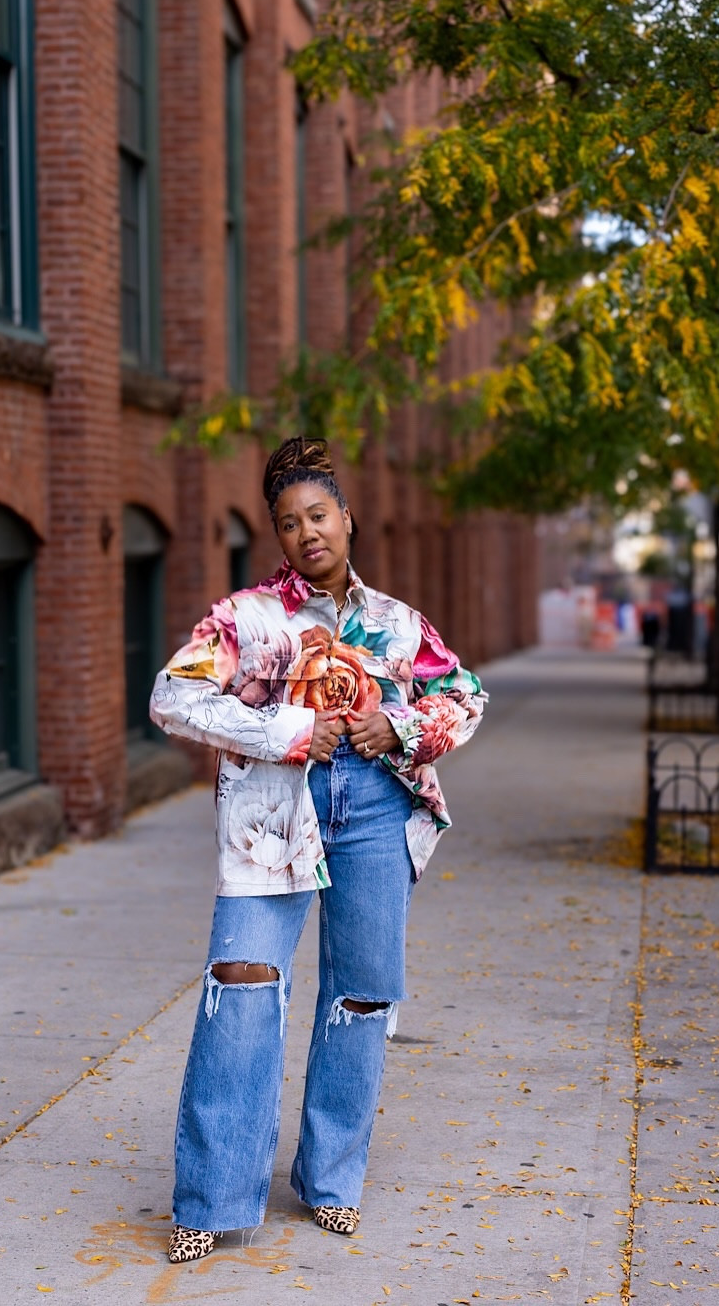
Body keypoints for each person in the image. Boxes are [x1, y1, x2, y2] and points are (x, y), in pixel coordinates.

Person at [149, 436, 487, 1264]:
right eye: (289, 522)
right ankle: (211, 1196)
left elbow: (466, 694)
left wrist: (400, 725)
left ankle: (330, 1179)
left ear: (347, 518)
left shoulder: (398, 625)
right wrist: (294, 728)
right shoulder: (246, 620)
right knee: (241, 985)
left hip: (375, 809)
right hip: (275, 818)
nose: (307, 533)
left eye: (319, 515)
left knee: (363, 995)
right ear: (277, 534)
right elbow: (171, 697)